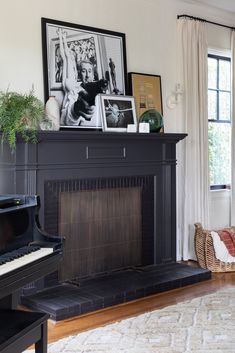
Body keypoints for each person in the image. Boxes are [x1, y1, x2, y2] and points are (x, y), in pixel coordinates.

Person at [58, 29, 99, 126]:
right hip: (67, 119)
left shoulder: (96, 94)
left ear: (93, 74)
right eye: (84, 71)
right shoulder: (74, 86)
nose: (88, 75)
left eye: (90, 71)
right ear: (81, 73)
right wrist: (62, 37)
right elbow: (65, 55)